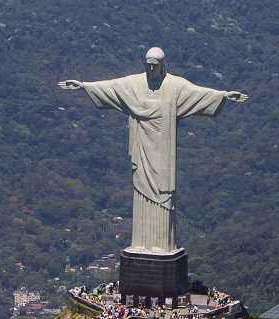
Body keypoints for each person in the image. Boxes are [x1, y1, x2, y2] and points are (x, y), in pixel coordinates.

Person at [58, 47, 247, 253]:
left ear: (162, 65)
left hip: (163, 152)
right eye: (148, 64)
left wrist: (224, 96)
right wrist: (83, 86)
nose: (150, 68)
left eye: (155, 65)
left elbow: (199, 93)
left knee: (163, 193)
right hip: (141, 147)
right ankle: (141, 244)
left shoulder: (175, 86)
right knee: (141, 190)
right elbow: (112, 86)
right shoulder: (135, 84)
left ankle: (161, 245)